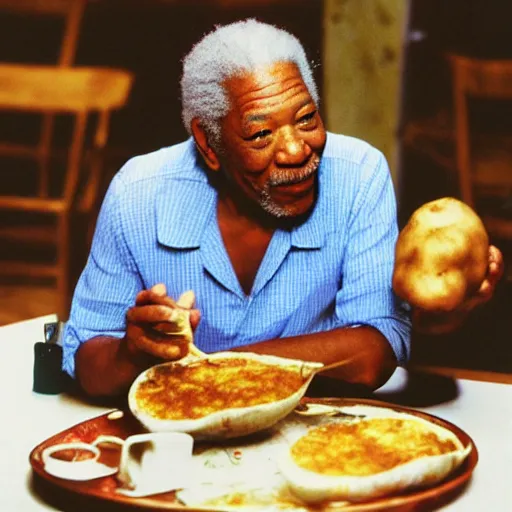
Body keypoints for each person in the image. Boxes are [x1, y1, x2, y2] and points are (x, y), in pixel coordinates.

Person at [62, 19, 502, 398]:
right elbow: (88, 361)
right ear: (208, 145)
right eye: (260, 136)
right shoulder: (138, 193)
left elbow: (373, 353)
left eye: (307, 118)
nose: (296, 150)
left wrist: (207, 370)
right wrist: (130, 354)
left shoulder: (358, 176)